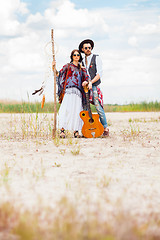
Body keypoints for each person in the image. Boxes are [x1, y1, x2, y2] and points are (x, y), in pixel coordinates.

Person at [52, 49, 90, 138]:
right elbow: (58, 74)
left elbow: (87, 78)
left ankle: (76, 131)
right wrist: (53, 67)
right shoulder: (67, 66)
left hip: (78, 93)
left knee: (77, 111)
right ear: (72, 56)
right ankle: (62, 130)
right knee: (65, 110)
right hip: (68, 91)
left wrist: (86, 82)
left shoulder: (82, 69)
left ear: (80, 57)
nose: (76, 56)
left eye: (78, 55)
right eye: (74, 55)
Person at [79, 39, 109, 137]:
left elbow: (99, 73)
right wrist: (85, 82)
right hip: (86, 88)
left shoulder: (96, 58)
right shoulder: (82, 61)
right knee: (86, 108)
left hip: (95, 86)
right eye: (86, 48)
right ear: (82, 49)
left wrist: (91, 82)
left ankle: (105, 128)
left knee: (98, 107)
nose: (88, 49)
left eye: (89, 48)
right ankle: (87, 128)